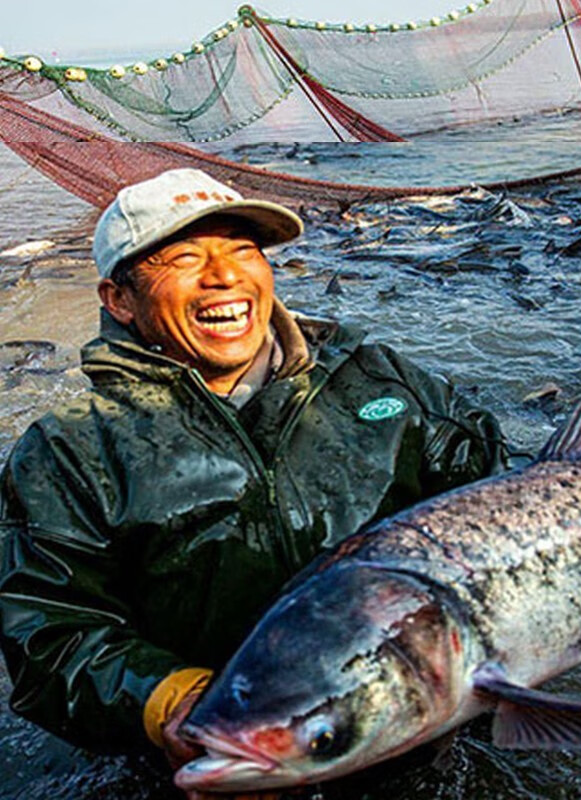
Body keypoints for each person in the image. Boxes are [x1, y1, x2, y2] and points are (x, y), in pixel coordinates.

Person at [0, 169, 507, 797]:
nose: (224, 276)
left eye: (243, 250)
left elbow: (499, 491)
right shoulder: (70, 450)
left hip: (420, 731)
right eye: (184, 258)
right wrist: (172, 703)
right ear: (119, 300)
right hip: (234, 764)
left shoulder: (380, 381)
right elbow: (47, 633)